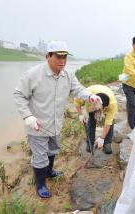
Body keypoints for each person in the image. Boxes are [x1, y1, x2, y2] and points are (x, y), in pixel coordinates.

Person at [13, 41, 101, 198]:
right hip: (37, 125)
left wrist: (90, 96)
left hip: (55, 124)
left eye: (65, 57)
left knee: (53, 149)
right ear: (48, 56)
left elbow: (78, 89)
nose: (62, 61)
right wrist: (28, 116)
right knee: (40, 156)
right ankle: (40, 184)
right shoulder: (33, 75)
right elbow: (19, 95)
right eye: (58, 57)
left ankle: (49, 172)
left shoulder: (68, 75)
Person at [74, 85, 117, 154]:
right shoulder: (85, 94)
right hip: (92, 96)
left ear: (103, 107)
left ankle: (107, 143)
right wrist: (80, 115)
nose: (95, 113)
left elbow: (108, 123)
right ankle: (90, 142)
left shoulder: (112, 104)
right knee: (91, 121)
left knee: (110, 122)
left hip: (107, 96)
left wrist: (102, 138)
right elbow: (76, 101)